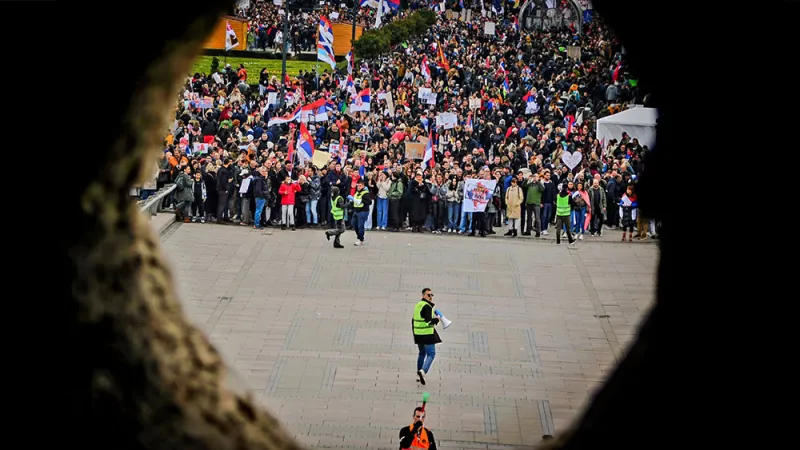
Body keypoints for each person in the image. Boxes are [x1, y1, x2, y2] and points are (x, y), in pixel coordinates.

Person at [413, 288, 441, 385]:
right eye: (428, 295)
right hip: (427, 334)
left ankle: (418, 375)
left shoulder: (418, 305)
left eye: (431, 295)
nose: (430, 297)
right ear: (423, 295)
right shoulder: (427, 306)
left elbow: (414, 320)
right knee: (431, 354)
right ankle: (423, 371)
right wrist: (437, 319)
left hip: (418, 334)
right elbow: (428, 321)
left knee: (422, 353)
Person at [351, 178, 372, 246]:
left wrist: (361, 201)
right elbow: (354, 201)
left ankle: (360, 239)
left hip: (363, 211)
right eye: (358, 186)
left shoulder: (365, 193)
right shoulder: (357, 193)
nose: (358, 187)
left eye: (360, 186)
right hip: (356, 211)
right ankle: (360, 237)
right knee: (353, 224)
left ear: (363, 186)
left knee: (360, 226)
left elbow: (369, 202)